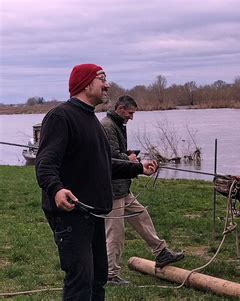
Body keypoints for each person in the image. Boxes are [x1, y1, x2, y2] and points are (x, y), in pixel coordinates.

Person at [35, 64, 158, 300]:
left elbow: (105, 164)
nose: (108, 84)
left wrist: (138, 167)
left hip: (94, 214)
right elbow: (45, 163)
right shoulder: (61, 117)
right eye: (102, 78)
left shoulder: (92, 120)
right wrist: (57, 189)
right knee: (80, 283)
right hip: (71, 214)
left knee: (97, 279)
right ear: (85, 83)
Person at [101, 95, 184, 285]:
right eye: (130, 113)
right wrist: (133, 161)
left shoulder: (118, 124)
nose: (132, 117)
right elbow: (111, 158)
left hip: (123, 187)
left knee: (141, 215)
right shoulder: (107, 126)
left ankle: (161, 253)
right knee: (115, 234)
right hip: (112, 190)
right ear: (121, 108)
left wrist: (130, 155)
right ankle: (110, 275)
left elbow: (118, 153)